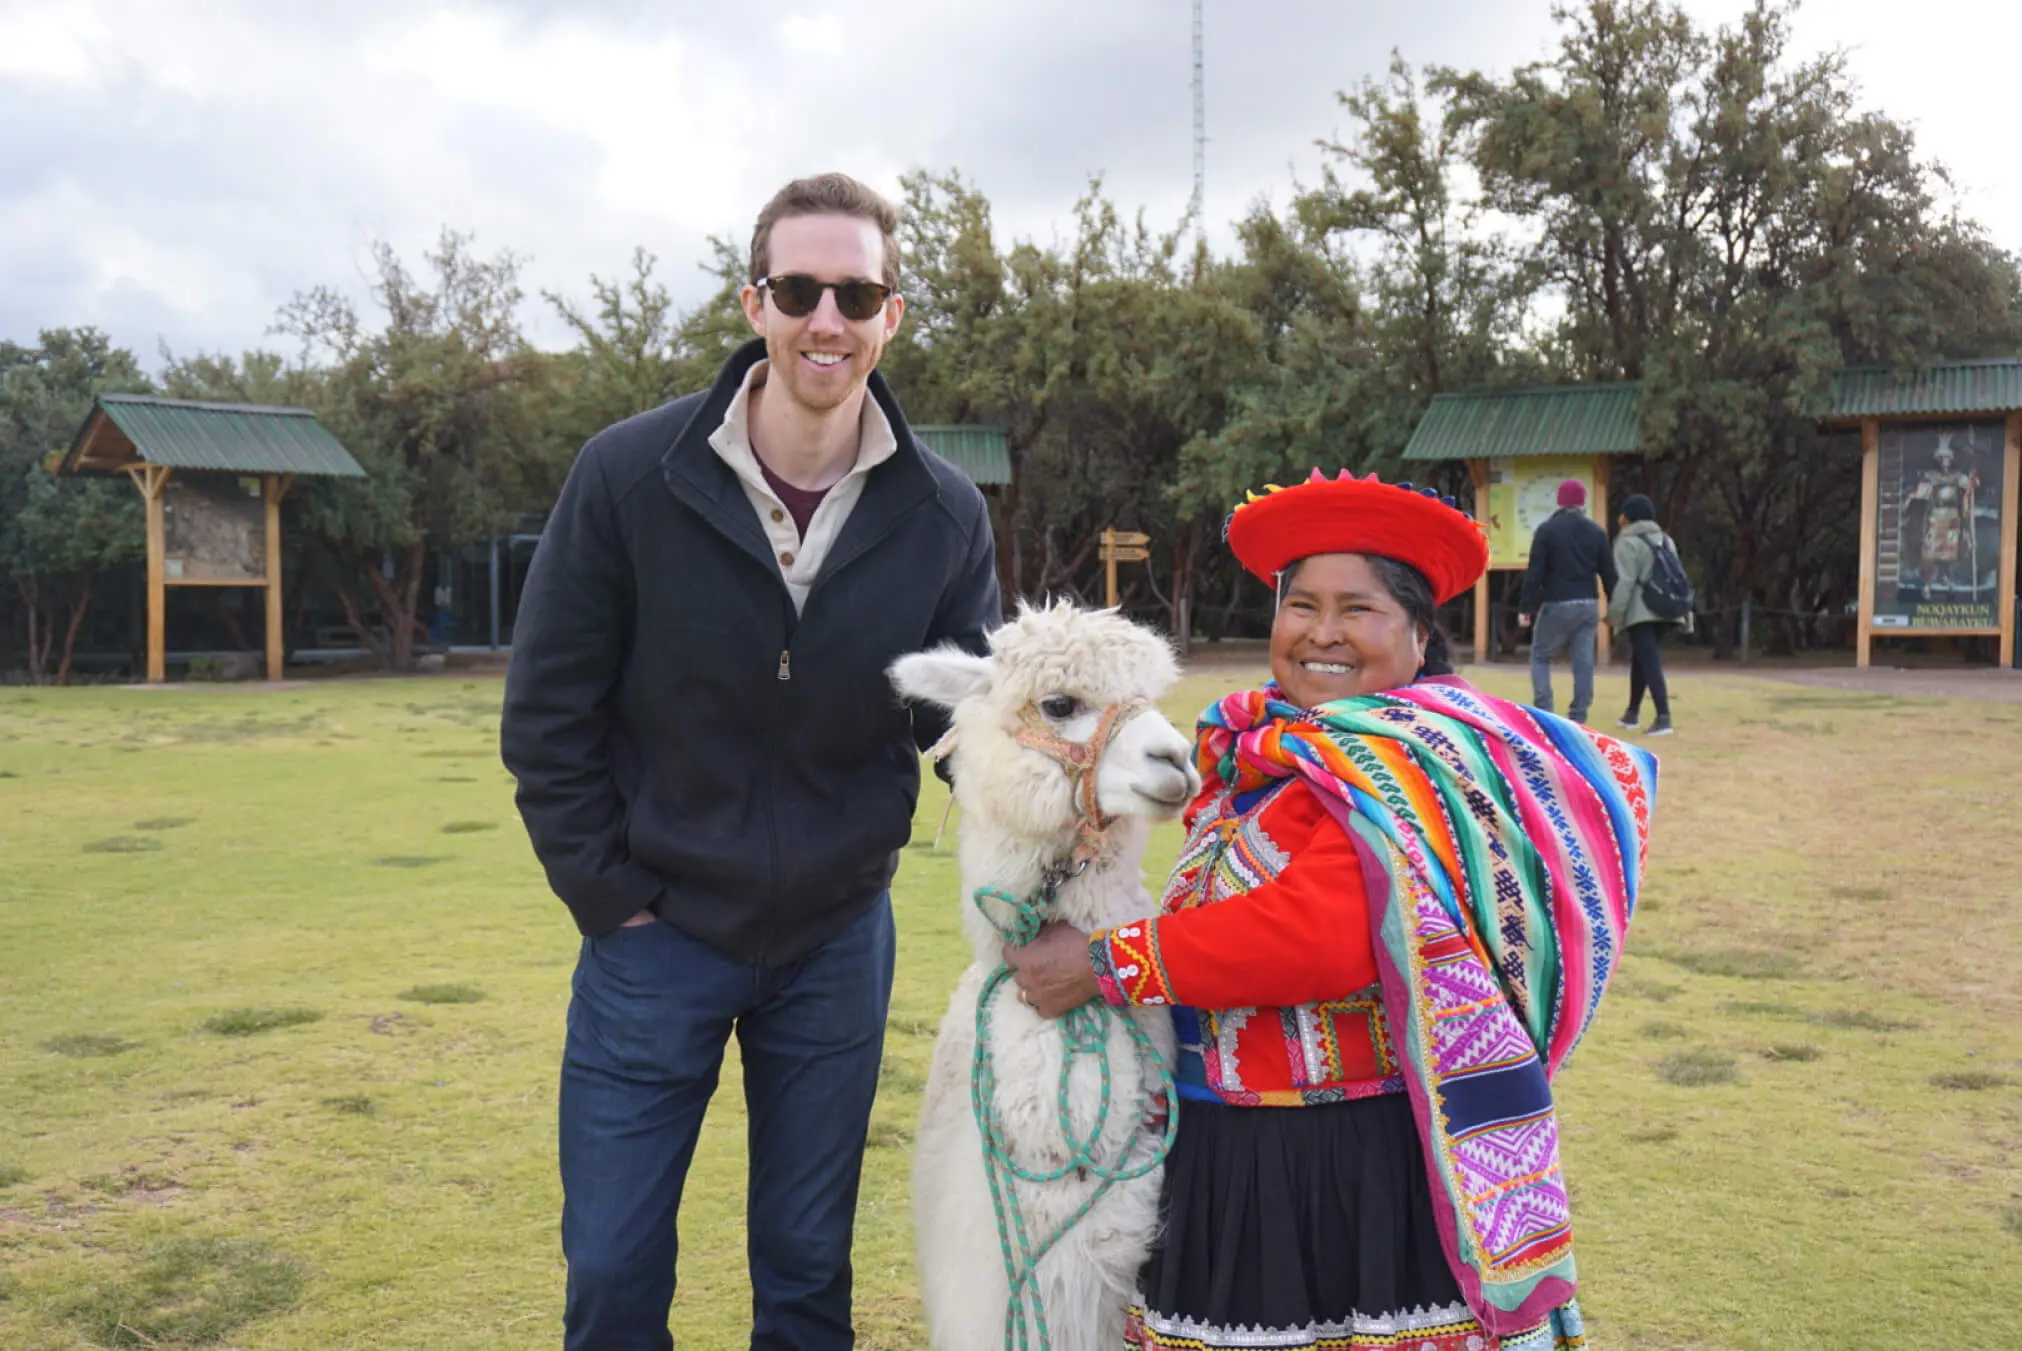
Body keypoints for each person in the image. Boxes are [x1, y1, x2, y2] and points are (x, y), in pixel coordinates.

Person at [500, 172, 1002, 1351]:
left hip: (836, 939)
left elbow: (966, 725)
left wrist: (1069, 805)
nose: (827, 318)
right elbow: (548, 711)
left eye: (856, 292)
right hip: (655, 937)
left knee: (805, 1271)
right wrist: (609, 897)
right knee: (615, 1270)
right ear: (754, 304)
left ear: (893, 314)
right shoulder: (626, 475)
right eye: (799, 289)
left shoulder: (943, 513)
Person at [1001, 470, 1657, 1351]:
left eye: (1359, 608)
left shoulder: (1410, 768)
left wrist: (1103, 964)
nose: (1322, 632)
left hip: (1344, 1162)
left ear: (1421, 633)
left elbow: (1319, 935)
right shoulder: (1267, 759)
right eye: (1301, 603)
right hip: (1231, 1151)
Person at [1517, 477, 1617, 723]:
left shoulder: (1547, 531)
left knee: (1541, 655)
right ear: (1582, 503)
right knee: (1583, 660)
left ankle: (1545, 711)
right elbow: (1609, 574)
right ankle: (1579, 715)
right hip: (1588, 604)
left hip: (1557, 602)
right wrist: (1614, 609)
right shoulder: (1596, 532)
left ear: (1559, 501)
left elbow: (1535, 573)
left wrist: (1525, 607)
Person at [1608, 493, 1681, 736]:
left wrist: (1614, 614)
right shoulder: (1665, 540)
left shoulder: (1626, 541)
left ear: (1628, 517)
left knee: (1649, 660)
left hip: (1641, 610)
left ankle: (1663, 717)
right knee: (1641, 658)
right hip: (1667, 607)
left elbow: (1626, 582)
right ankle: (1632, 713)